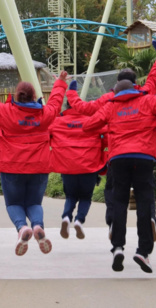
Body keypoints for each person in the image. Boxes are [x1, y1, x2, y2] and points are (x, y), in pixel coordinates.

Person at [66, 40, 156, 236]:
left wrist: (71, 92)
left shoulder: (109, 100)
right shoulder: (146, 93)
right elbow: (155, 76)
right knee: (145, 190)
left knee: (113, 190)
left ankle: (113, 221)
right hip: (145, 151)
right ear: (134, 82)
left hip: (118, 152)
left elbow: (84, 109)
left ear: (117, 84)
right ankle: (150, 218)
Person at [0, 70, 69, 256]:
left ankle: (22, 229)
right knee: (34, 203)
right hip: (38, 167)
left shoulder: (5, 113)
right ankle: (37, 226)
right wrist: (60, 82)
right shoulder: (45, 114)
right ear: (34, 96)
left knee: (13, 204)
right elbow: (55, 102)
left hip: (11, 167)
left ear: (15, 95)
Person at [83, 80, 156, 273]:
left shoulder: (110, 106)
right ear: (134, 88)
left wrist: (110, 126)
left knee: (119, 202)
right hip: (144, 157)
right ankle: (143, 251)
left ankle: (118, 247)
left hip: (118, 158)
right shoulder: (148, 100)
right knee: (144, 202)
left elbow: (88, 126)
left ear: (115, 93)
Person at [49, 101, 106, 239]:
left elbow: (47, 135)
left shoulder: (57, 122)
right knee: (86, 197)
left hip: (67, 166)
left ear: (66, 107)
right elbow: (106, 136)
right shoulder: (92, 121)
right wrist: (100, 150)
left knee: (71, 196)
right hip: (89, 165)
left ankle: (66, 218)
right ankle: (79, 221)